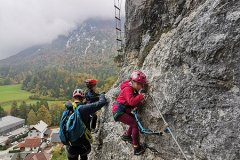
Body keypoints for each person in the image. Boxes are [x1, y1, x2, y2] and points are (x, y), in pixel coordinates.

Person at [112, 70, 148, 155]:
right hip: (119, 111)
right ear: (133, 82)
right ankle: (136, 147)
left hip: (122, 110)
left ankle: (127, 136)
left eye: (142, 84)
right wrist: (141, 96)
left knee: (133, 119)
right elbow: (131, 101)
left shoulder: (132, 88)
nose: (140, 86)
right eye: (139, 84)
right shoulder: (128, 89)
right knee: (134, 124)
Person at [65, 88, 107, 160]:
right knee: (84, 156)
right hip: (83, 145)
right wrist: (102, 95)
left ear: (73, 98)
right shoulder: (84, 108)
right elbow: (101, 103)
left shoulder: (67, 110)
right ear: (83, 98)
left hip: (71, 146)